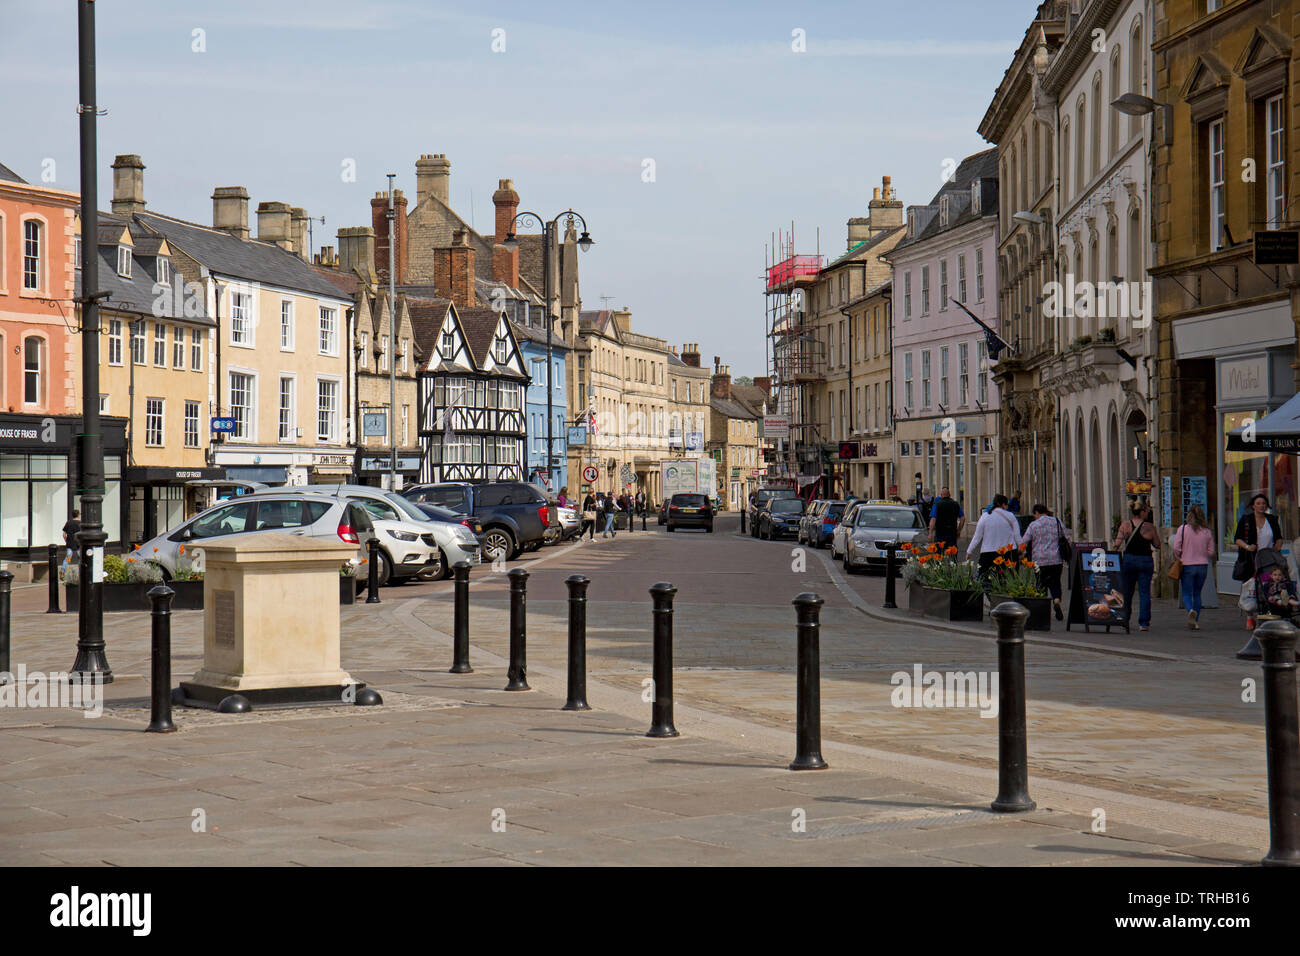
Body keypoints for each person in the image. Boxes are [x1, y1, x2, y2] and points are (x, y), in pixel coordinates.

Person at [1114, 500, 1159, 631]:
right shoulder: (1149, 527)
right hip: (1145, 560)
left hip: (1129, 560)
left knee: (1127, 591)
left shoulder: (1125, 525)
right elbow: (1157, 544)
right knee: (1144, 592)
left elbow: (1117, 543)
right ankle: (1144, 622)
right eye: (1146, 511)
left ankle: (1125, 618)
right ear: (1142, 512)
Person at [1021, 503, 1068, 620]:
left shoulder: (1033, 525)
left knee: (1040, 584)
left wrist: (1021, 554)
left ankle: (1042, 612)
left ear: (1036, 513)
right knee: (1055, 582)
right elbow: (1067, 538)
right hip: (1056, 559)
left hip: (1039, 560)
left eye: (1034, 515)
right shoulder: (1057, 521)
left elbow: (1024, 542)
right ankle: (1056, 601)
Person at [1173, 504, 1215, 631]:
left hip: (1187, 565)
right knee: (1197, 593)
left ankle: (1190, 610)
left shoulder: (1183, 529)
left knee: (1187, 593)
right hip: (1202, 565)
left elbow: (1176, 547)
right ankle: (1195, 621)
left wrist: (1179, 555)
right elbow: (1211, 552)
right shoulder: (1207, 532)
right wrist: (1202, 554)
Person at [967, 494, 1020, 579]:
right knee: (1011, 578)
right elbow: (1017, 535)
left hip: (988, 552)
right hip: (1008, 552)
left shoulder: (985, 516)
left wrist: (969, 551)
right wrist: (1022, 550)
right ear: (1003, 505)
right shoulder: (1010, 516)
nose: (1007, 507)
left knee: (983, 577)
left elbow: (977, 536)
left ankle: (987, 591)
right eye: (1006, 505)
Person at [1233, 493, 1282, 582]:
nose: (1261, 506)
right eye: (1258, 503)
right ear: (1253, 506)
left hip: (1269, 560)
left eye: (1263, 503)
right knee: (1251, 588)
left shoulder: (1272, 519)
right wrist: (1248, 547)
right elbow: (1237, 539)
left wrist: (1277, 547)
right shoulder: (1246, 519)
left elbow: (1279, 538)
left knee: (1267, 585)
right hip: (1251, 560)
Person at [929, 486, 965, 552]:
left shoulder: (937, 505)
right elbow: (962, 518)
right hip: (952, 533)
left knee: (939, 556)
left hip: (940, 534)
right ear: (949, 495)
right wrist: (959, 530)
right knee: (952, 555)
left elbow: (933, 519)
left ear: (941, 495)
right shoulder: (955, 504)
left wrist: (930, 533)